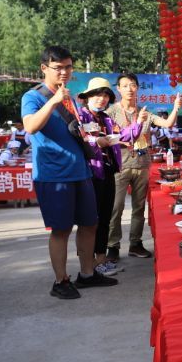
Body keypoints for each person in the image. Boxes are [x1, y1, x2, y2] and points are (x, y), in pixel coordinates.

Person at [22, 46, 118, 299]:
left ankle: (87, 273)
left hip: (80, 170)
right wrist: (53, 101)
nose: (64, 72)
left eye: (68, 67)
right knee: (61, 229)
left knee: (90, 223)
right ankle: (60, 280)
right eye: (58, 68)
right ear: (44, 68)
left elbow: (79, 133)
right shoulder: (33, 97)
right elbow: (30, 126)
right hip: (54, 175)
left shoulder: (71, 99)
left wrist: (97, 142)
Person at [106, 74, 182, 261]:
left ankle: (135, 243)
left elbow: (167, 123)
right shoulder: (111, 112)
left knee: (139, 207)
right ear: (118, 89)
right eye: (125, 86)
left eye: (132, 85)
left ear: (138, 88)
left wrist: (175, 108)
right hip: (119, 166)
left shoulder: (145, 112)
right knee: (115, 208)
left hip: (141, 164)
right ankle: (112, 246)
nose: (129, 89)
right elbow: (107, 137)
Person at [78, 77, 142, 277]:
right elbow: (83, 138)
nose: (102, 98)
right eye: (97, 94)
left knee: (105, 216)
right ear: (87, 97)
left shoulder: (105, 118)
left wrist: (138, 123)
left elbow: (121, 135)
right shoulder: (80, 116)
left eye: (105, 95)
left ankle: (100, 259)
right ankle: (89, 265)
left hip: (108, 170)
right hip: (90, 173)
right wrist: (97, 141)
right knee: (91, 220)